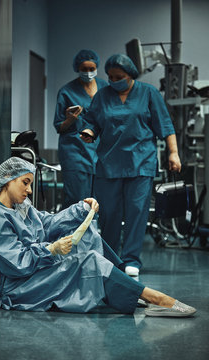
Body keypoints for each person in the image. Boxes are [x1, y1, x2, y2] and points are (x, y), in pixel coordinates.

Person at [0, 157, 196, 317]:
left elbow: (47, 224)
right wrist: (51, 250)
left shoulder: (21, 208)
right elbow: (14, 264)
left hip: (34, 270)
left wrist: (81, 209)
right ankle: (153, 297)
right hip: (18, 286)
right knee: (89, 262)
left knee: (88, 234)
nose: (30, 190)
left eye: (30, 183)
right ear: (7, 179)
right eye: (25, 183)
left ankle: (127, 286)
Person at [80, 54, 181, 277]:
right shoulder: (103, 95)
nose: (114, 80)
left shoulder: (148, 93)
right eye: (111, 76)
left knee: (137, 212)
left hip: (140, 162)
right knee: (110, 214)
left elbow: (165, 124)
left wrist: (173, 153)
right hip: (109, 164)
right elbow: (92, 120)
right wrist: (89, 131)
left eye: (120, 77)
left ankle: (132, 259)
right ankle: (110, 258)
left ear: (131, 75)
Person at [54, 49, 107, 208]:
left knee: (99, 202)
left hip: (99, 153)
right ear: (78, 68)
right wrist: (70, 119)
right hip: (75, 153)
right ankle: (74, 233)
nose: (88, 72)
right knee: (77, 201)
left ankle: (94, 233)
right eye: (84, 69)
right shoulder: (66, 92)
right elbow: (59, 126)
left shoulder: (105, 89)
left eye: (92, 69)